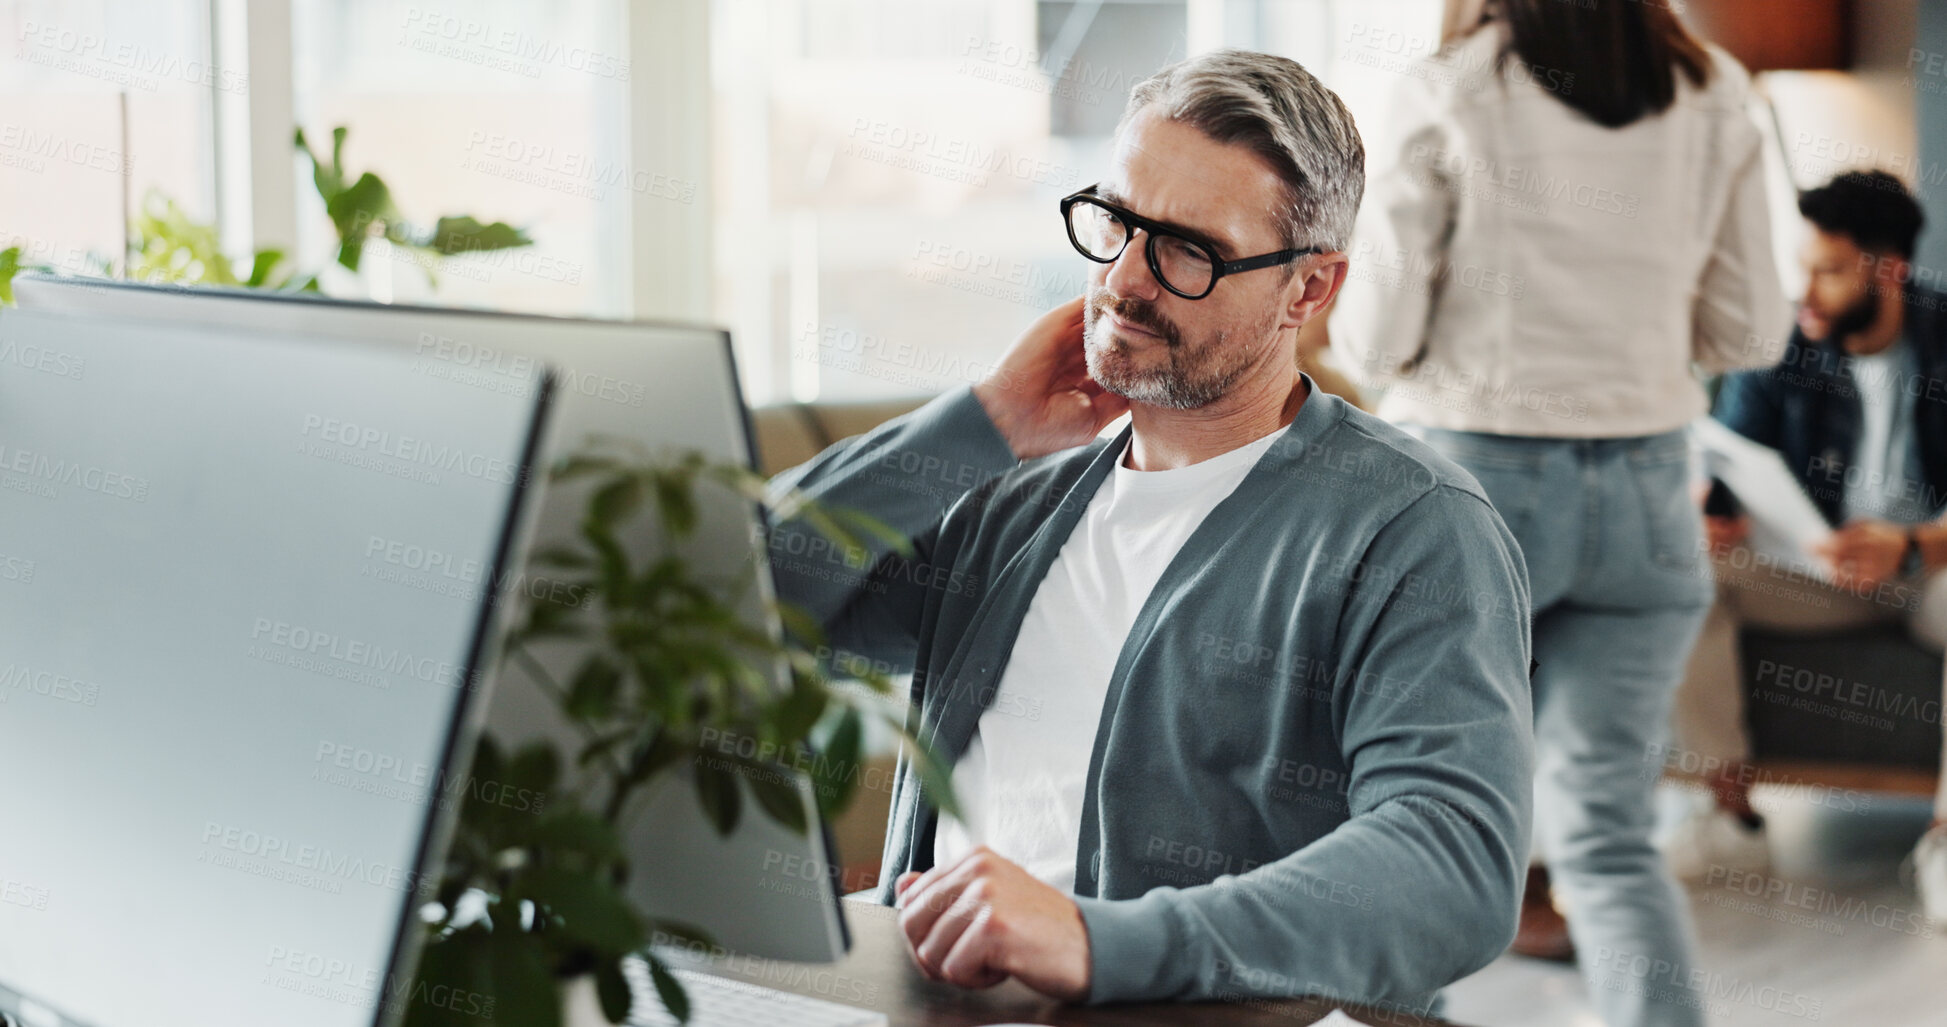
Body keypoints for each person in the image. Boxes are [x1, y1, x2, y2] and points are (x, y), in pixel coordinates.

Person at [766, 50, 1534, 1015]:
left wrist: (1100, 940)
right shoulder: (1016, 499)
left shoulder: (1412, 528)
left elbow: (1452, 862)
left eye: (1186, 250)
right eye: (1119, 222)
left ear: (1307, 290)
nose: (1125, 279)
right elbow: (734, 601)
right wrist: (980, 422)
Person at [1329, 1, 1787, 1024]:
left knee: (1424, 816)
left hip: (1476, 492)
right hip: (1649, 496)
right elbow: (1750, 330)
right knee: (1612, 839)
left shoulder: (1450, 88)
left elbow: (1379, 337)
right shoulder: (1714, 89)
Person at [1669, 170, 1947, 919]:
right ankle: (1730, 817)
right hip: (1818, 571)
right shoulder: (1783, 344)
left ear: (1889, 270)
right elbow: (1725, 455)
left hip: (1929, 569)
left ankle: (1944, 844)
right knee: (1681, 561)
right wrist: (1711, 507)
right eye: (1803, 268)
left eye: (1827, 271)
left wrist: (1914, 544)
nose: (1807, 292)